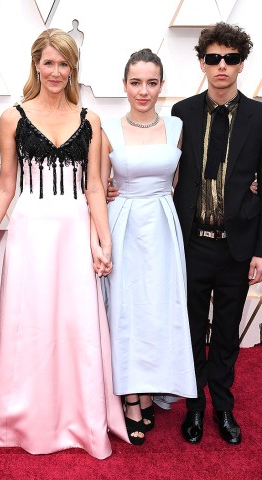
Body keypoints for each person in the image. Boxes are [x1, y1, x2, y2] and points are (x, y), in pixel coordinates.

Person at [108, 23, 262, 445]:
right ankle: (193, 409)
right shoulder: (183, 116)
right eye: (213, 58)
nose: (222, 66)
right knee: (191, 330)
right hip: (189, 240)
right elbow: (164, 171)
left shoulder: (260, 117)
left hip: (239, 245)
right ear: (202, 63)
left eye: (230, 58)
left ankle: (224, 409)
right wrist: (109, 186)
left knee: (227, 333)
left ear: (242, 63)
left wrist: (260, 251)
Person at [0, 28, 129, 459]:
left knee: (76, 327)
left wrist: (104, 242)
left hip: (73, 232)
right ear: (36, 65)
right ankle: (23, 419)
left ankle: (81, 418)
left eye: (63, 63)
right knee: (30, 326)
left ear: (73, 69)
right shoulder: (13, 116)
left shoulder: (91, 120)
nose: (55, 71)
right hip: (30, 233)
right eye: (48, 62)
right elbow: (7, 186)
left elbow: (95, 189)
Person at [100, 49, 197, 445]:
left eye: (152, 82)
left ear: (161, 85)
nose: (144, 91)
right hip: (123, 223)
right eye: (136, 82)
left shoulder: (176, 126)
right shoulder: (106, 125)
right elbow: (96, 185)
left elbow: (181, 182)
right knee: (126, 310)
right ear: (124, 85)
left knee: (158, 309)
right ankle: (131, 396)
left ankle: (153, 382)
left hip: (162, 224)